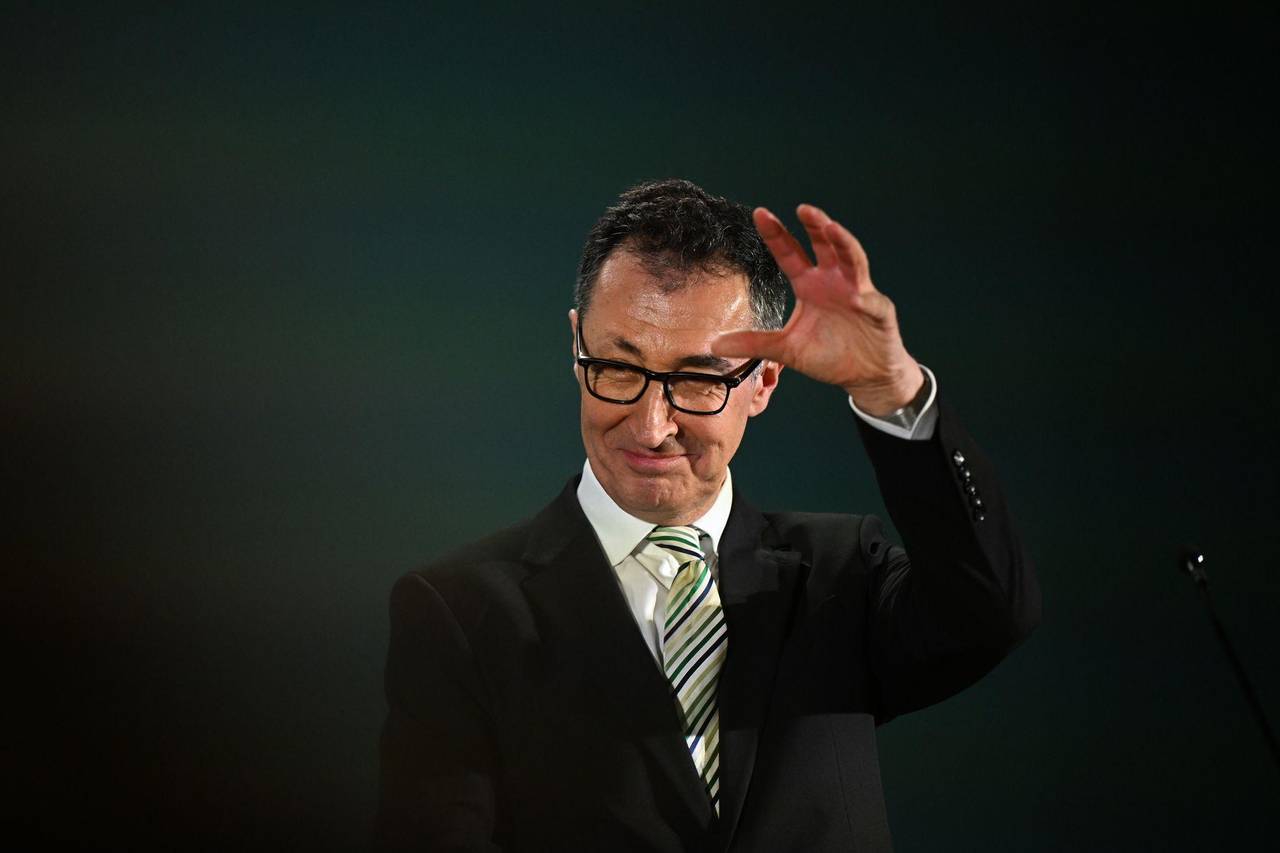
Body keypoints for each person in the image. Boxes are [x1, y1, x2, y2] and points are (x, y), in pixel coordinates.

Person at [374, 179, 1041, 852]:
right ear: (577, 347)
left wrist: (890, 388)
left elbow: (989, 611)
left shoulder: (842, 577)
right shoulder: (459, 611)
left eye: (696, 380)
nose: (651, 425)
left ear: (764, 379)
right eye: (617, 367)